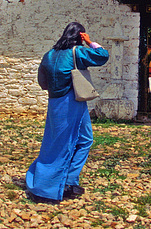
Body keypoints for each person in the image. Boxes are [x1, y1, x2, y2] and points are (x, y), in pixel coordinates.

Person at [26, 22, 109, 203]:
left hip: (54, 102)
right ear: (80, 36)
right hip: (73, 102)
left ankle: (69, 180)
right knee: (69, 143)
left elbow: (42, 81)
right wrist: (90, 42)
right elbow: (103, 56)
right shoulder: (77, 52)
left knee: (60, 142)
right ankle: (55, 185)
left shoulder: (48, 55)